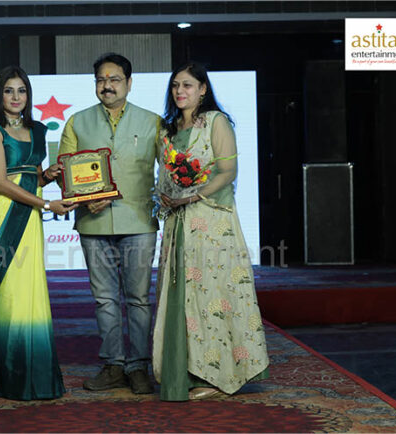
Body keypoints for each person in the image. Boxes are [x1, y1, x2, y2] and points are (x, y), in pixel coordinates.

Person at [152, 62, 269, 401]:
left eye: (187, 85)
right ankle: (184, 373)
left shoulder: (216, 122)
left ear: (203, 89)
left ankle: (218, 374)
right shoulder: (168, 130)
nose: (180, 91)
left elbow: (228, 170)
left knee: (213, 295)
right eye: (175, 85)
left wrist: (194, 195)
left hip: (212, 222)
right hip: (178, 224)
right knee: (180, 297)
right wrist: (165, 196)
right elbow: (164, 176)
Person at [58, 53, 161, 394]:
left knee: (138, 298)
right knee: (104, 299)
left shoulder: (154, 122)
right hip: (93, 222)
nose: (107, 86)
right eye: (101, 80)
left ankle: (139, 366)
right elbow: (65, 172)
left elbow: (170, 169)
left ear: (129, 83)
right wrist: (83, 199)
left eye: (115, 79)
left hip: (139, 221)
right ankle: (113, 365)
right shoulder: (77, 122)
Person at [0, 66, 77, 400]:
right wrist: (46, 205)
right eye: (9, 90)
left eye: (21, 90)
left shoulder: (35, 129)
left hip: (29, 213)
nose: (16, 97)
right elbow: (0, 181)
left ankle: (36, 376)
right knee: (8, 295)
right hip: (2, 214)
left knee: (30, 292)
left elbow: (32, 174)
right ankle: (10, 378)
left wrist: (48, 175)